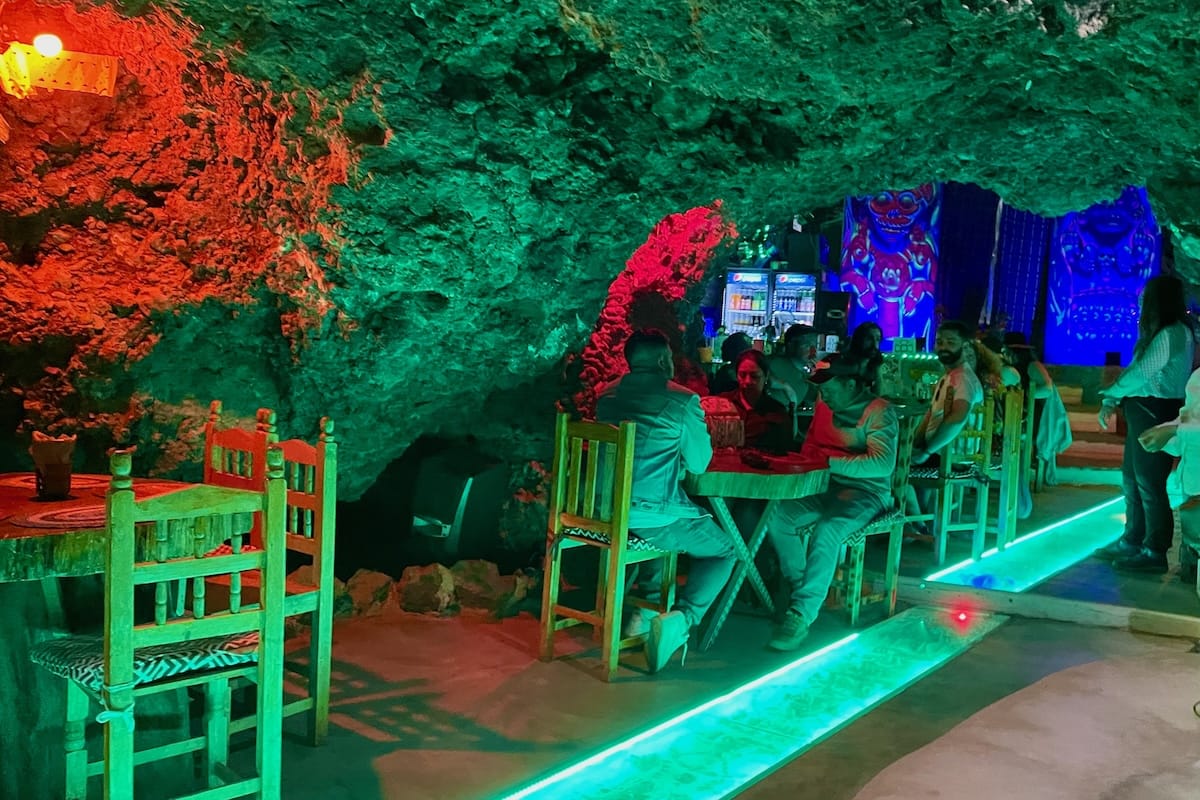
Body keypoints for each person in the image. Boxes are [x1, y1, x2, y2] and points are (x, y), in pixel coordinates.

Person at [595, 330, 737, 672]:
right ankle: (682, 620)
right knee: (726, 550)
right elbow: (700, 463)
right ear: (663, 361)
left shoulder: (607, 394)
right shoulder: (682, 401)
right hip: (648, 514)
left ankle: (643, 615)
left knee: (660, 532)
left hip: (601, 511)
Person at [764, 353, 898, 650]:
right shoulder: (825, 405)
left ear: (851, 384)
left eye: (829, 389)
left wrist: (826, 460)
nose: (822, 396)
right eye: (821, 390)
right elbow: (811, 442)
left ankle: (801, 613)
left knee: (829, 528)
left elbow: (882, 465)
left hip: (867, 493)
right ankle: (803, 587)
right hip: (823, 486)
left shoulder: (879, 411)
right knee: (776, 516)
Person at [1096, 275, 1195, 573]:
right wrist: (1112, 400)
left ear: (1157, 300)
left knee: (1149, 483)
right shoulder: (1159, 334)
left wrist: (1111, 392)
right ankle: (1133, 538)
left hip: (1157, 409)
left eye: (1144, 297)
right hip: (1143, 408)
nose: (1139, 303)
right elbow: (1137, 371)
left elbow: (1143, 372)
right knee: (1132, 479)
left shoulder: (1173, 333)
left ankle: (1155, 551)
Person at [1139, 366, 1200, 582]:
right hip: (1192, 478)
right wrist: (1163, 438)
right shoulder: (1198, 376)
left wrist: (1171, 432)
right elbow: (1187, 418)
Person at [912, 320, 985, 466]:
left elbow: (957, 418)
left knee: (888, 466)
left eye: (951, 343)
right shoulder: (949, 376)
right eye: (939, 342)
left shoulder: (962, 378)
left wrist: (926, 452)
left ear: (964, 347)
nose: (943, 347)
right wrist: (914, 445)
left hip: (949, 456)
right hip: (940, 452)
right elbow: (931, 415)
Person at [719, 349, 793, 451]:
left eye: (754, 376)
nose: (748, 381)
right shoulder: (721, 403)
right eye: (742, 375)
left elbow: (785, 452)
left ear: (766, 376)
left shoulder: (777, 412)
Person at [845, 321, 885, 394]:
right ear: (858, 340)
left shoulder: (874, 366)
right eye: (869, 339)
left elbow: (877, 395)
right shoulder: (843, 365)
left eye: (878, 339)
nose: (875, 345)